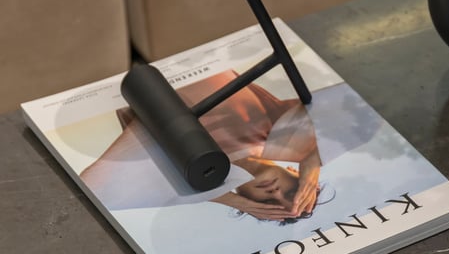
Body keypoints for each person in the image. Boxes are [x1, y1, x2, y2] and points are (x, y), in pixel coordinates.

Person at [80, 69, 321, 220]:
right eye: (291, 192)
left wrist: (227, 198)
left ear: (246, 198)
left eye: (267, 203)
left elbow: (92, 188)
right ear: (294, 172)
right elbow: (322, 112)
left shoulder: (179, 166)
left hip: (116, 74)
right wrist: (312, 161)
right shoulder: (280, 131)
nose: (275, 192)